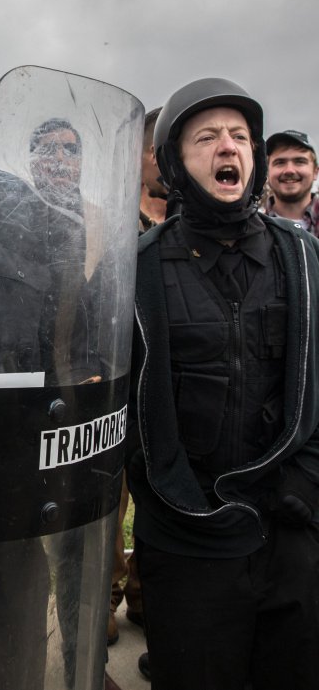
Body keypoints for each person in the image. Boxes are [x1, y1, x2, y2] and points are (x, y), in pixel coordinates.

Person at [126, 77, 319, 689]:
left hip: (291, 531)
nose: (227, 147)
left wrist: (307, 486)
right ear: (177, 165)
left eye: (239, 136)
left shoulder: (305, 257)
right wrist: (180, 506)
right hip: (188, 536)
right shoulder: (137, 269)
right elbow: (122, 410)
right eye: (206, 137)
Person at [108, 107, 162, 648]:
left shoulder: (195, 222)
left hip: (169, 390)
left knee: (161, 500)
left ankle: (148, 596)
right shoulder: (111, 221)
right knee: (112, 501)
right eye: (153, 149)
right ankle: (104, 598)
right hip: (118, 385)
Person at [264, 129, 319, 234]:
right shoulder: (248, 230)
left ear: (315, 172)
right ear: (267, 172)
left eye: (299, 161)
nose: (289, 170)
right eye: (280, 162)